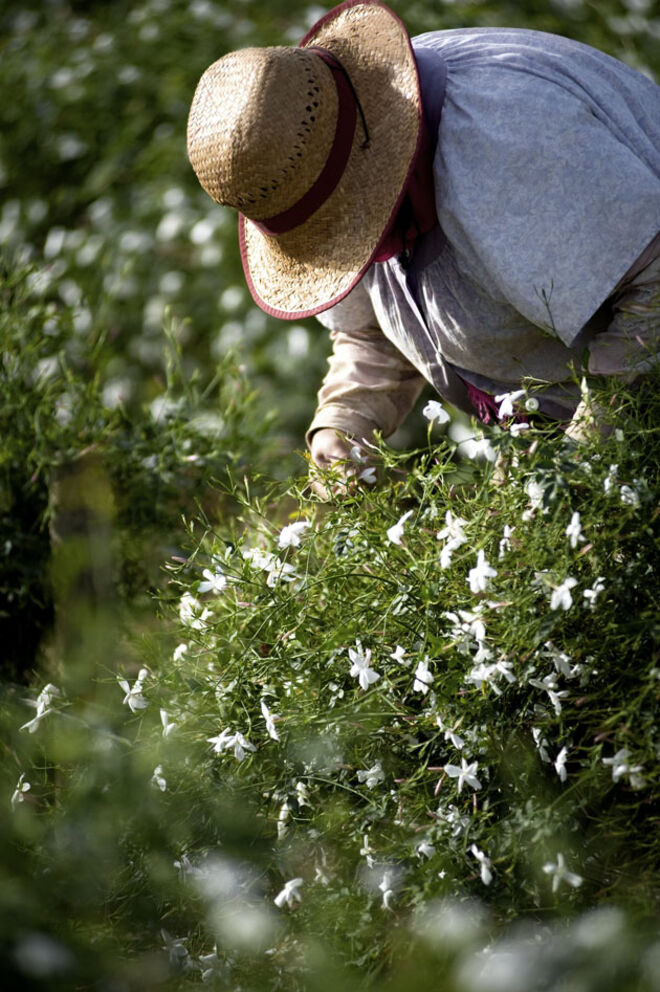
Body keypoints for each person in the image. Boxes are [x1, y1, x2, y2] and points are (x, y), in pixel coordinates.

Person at [186, 0, 660, 488]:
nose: (347, 241)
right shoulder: (319, 161)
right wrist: (345, 422)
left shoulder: (509, 143)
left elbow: (654, 290)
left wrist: (583, 457)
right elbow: (371, 329)